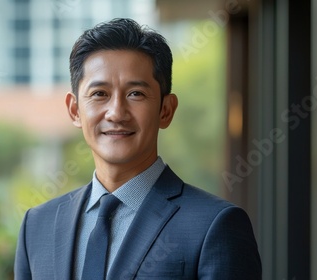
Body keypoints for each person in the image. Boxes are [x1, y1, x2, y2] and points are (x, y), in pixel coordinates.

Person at [14, 18, 262, 280]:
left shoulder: (214, 226)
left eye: (136, 94)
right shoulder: (38, 226)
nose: (117, 112)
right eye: (100, 94)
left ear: (166, 110)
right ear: (75, 110)